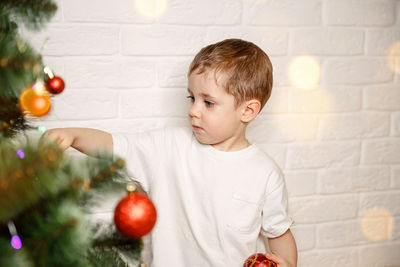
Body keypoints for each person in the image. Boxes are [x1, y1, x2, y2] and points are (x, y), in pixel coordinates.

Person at [43, 38, 297, 267]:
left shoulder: (265, 173)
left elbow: (279, 234)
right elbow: (116, 145)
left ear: (247, 111)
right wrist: (74, 135)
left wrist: (286, 264)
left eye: (208, 102)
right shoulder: (169, 146)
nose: (194, 111)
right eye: (191, 98)